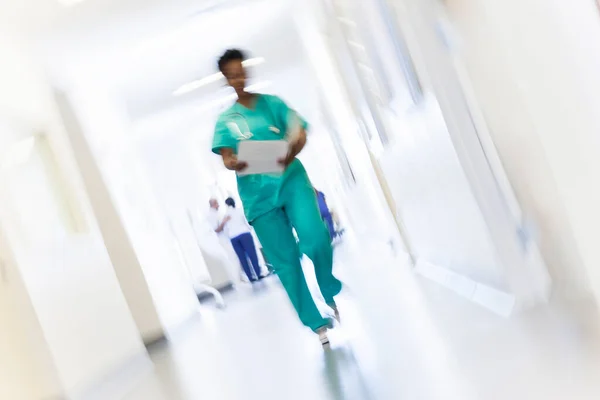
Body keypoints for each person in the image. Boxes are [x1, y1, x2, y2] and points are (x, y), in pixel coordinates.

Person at [212, 49, 342, 346]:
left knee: (315, 237)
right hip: (258, 197)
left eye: (241, 71)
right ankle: (316, 323)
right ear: (225, 79)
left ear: (246, 70)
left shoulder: (272, 104)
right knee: (286, 262)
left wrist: (291, 148)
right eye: (231, 75)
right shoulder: (225, 121)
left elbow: (299, 131)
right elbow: (227, 159)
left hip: (291, 180)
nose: (238, 79)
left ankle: (328, 286)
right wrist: (239, 162)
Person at [222, 197, 263, 283]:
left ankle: (250, 277)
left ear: (226, 205)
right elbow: (247, 222)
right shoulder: (240, 211)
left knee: (242, 258)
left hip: (233, 237)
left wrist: (230, 235)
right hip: (244, 234)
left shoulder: (225, 216)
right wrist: (249, 229)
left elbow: (225, 230)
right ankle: (258, 274)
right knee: (252, 255)